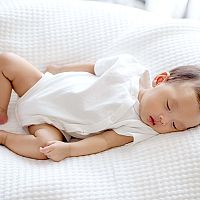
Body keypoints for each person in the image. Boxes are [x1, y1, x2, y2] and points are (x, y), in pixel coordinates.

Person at [0, 52, 199, 162]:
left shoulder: (140, 126)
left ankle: (5, 137)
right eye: (168, 106)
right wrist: (59, 70)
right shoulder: (129, 68)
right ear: (160, 79)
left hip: (51, 124)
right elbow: (93, 68)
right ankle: (1, 109)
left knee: (43, 149)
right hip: (42, 85)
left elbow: (104, 141)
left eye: (175, 125)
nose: (164, 119)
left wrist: (69, 149)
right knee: (6, 60)